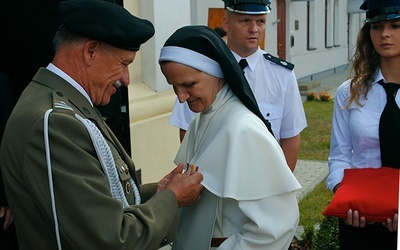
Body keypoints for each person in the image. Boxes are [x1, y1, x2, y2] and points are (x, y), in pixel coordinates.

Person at [0, 0, 203, 249]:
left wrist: (159, 191)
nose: (127, 79)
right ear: (90, 51)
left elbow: (99, 196)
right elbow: (109, 239)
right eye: (124, 63)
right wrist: (172, 198)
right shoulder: (54, 123)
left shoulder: (65, 105)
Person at [159, 25, 301, 250]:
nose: (181, 97)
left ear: (216, 72)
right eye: (174, 87)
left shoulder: (243, 129)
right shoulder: (203, 118)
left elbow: (277, 226)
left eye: (188, 85)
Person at [168, 0, 307, 172]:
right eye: (245, 21)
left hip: (264, 176)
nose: (254, 29)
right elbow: (187, 131)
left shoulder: (282, 75)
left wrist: (281, 188)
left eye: (261, 21)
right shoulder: (203, 70)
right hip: (214, 178)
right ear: (226, 23)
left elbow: (290, 136)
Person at [327, 0, 400, 248]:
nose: (385, 34)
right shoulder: (350, 92)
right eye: (377, 26)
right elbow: (339, 155)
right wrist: (344, 193)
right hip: (357, 219)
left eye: (396, 25)